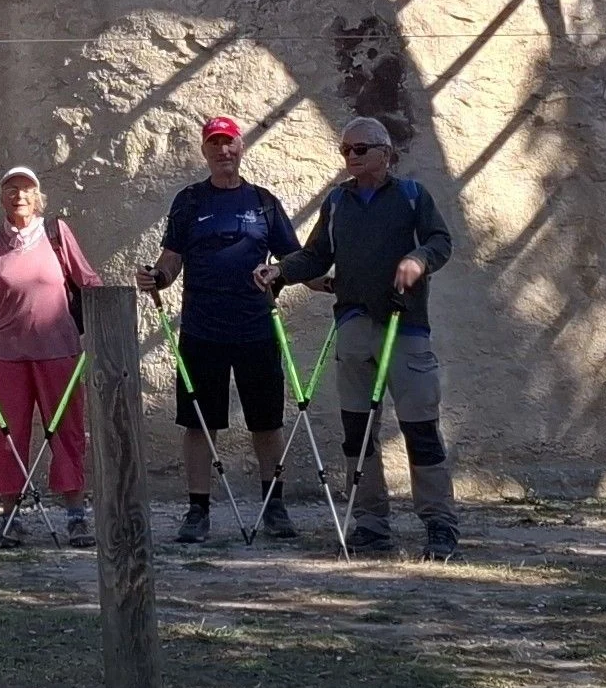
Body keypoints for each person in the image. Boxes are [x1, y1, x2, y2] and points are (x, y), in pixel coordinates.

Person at [270, 114, 459, 560]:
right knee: (357, 431)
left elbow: (440, 242)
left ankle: (439, 524)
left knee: (420, 427)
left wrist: (418, 260)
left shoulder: (412, 196)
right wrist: (280, 271)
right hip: (353, 325)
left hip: (405, 325)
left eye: (359, 149)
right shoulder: (338, 201)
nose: (350, 157)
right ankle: (371, 523)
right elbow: (317, 256)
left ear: (385, 153)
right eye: (345, 150)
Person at [139, 114, 299, 543]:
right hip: (202, 330)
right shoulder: (190, 201)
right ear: (204, 150)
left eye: (229, 142)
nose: (223, 150)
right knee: (198, 423)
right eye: (214, 143)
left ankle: (274, 506)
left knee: (266, 421)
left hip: (256, 328)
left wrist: (325, 281)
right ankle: (198, 511)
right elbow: (171, 259)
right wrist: (156, 278)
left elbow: (293, 258)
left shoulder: (263, 202)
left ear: (240, 147)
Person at [0, 163, 96, 548]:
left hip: (58, 350)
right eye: (11, 188)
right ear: (1, 197)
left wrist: (111, 305)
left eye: (26, 188)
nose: (19, 195)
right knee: (6, 435)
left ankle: (76, 516)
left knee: (67, 431)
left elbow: (87, 279)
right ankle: (10, 518)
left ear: (38, 196)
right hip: (4, 355)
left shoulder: (56, 234)